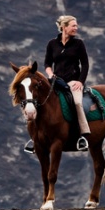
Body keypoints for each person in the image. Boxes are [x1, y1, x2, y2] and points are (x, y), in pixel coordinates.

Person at [24, 15, 91, 154]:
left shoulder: (79, 44)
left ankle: (82, 136)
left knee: (77, 102)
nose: (76, 28)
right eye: (73, 25)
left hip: (73, 81)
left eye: (76, 25)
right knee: (37, 101)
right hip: (55, 80)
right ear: (64, 27)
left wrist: (80, 81)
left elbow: (85, 64)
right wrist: (49, 73)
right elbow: (47, 63)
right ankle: (34, 137)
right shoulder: (52, 44)